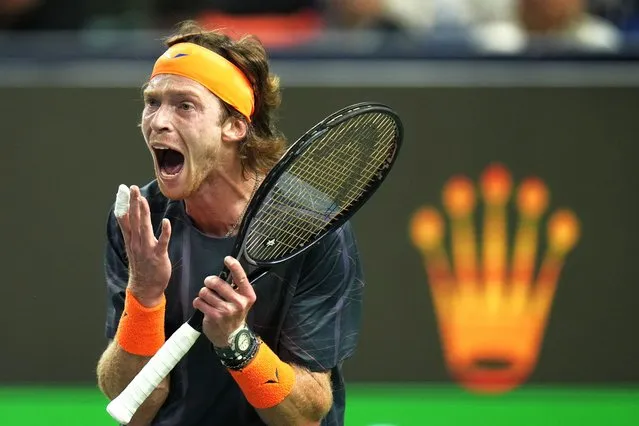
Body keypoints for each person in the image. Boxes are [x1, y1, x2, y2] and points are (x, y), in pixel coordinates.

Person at [96, 20, 364, 426]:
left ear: (235, 125)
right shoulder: (139, 221)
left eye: (184, 105)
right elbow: (134, 404)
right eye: (153, 102)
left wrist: (238, 343)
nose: (158, 122)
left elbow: (305, 415)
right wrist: (144, 298)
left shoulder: (312, 226)